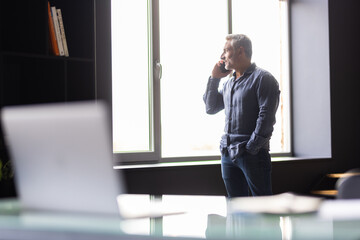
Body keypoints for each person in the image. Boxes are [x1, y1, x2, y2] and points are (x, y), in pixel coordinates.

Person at [203, 34, 280, 197]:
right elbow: (210, 108)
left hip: (252, 153)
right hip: (227, 152)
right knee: (235, 208)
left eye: (226, 50)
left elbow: (266, 118)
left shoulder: (263, 78)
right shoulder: (229, 83)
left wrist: (251, 148)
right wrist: (214, 78)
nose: (222, 55)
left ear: (240, 51)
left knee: (263, 206)